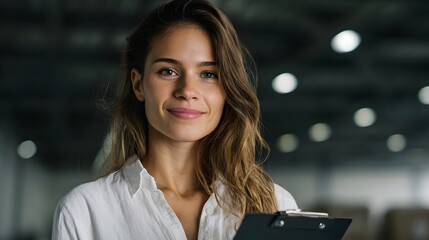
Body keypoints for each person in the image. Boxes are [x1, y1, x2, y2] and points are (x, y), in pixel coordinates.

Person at [52, 0, 297, 239]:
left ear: (227, 90)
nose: (187, 90)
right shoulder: (86, 211)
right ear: (139, 84)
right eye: (168, 71)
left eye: (208, 74)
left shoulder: (276, 206)